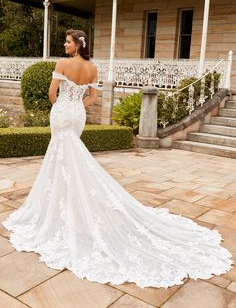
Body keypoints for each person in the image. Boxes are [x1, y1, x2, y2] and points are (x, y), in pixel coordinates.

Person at [2, 29, 233, 289]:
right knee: (71, 156)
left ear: (77, 45)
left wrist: (60, 105)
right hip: (77, 115)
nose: (65, 45)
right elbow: (93, 97)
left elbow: (51, 92)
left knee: (60, 157)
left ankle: (60, 205)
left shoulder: (63, 63)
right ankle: (68, 201)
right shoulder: (91, 67)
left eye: (68, 41)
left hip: (62, 113)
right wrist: (77, 106)